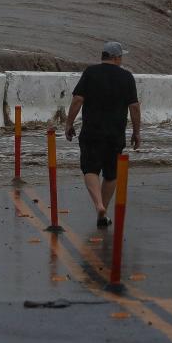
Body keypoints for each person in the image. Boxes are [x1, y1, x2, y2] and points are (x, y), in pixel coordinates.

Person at [64, 41, 141, 227]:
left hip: (92, 131)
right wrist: (136, 132)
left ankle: (98, 205)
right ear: (116, 58)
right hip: (115, 133)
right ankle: (102, 213)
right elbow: (134, 107)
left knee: (90, 169)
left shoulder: (90, 73)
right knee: (111, 174)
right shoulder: (127, 77)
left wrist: (69, 123)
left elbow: (77, 100)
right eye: (121, 57)